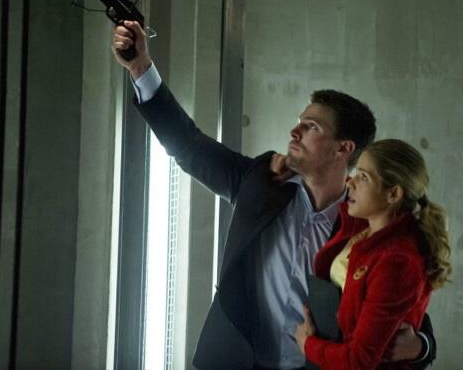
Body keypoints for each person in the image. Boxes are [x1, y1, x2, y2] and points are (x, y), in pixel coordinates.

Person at [111, 21, 437, 369]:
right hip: (237, 362)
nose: (294, 131)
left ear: (343, 148)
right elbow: (189, 146)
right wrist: (140, 68)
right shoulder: (260, 181)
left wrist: (420, 346)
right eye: (299, 121)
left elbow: (402, 309)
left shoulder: (369, 227)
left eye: (311, 127)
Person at [294, 139, 452, 369]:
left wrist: (307, 344)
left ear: (393, 194)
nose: (350, 182)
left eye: (363, 177)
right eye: (356, 173)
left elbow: (360, 359)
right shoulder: (359, 225)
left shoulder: (398, 259)